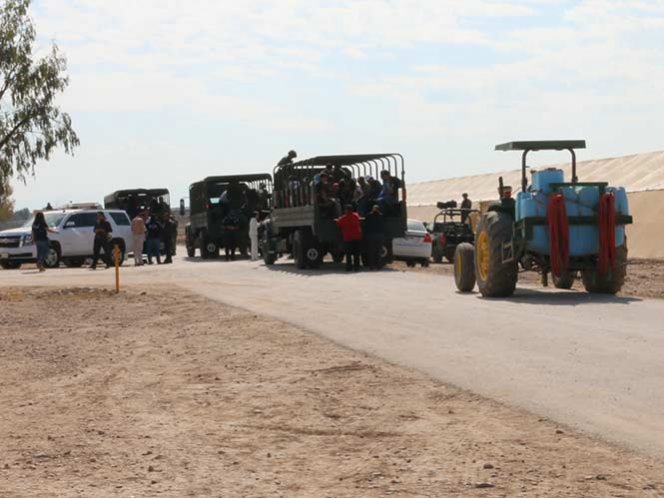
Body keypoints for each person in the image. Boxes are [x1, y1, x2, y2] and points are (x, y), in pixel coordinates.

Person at [336, 204, 363, 272]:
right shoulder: (356, 216)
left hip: (348, 238)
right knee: (356, 253)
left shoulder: (343, 218)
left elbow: (339, 224)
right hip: (357, 237)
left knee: (348, 254)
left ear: (346, 210)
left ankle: (349, 267)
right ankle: (356, 268)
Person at [364, 204, 386, 270]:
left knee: (371, 252)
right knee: (378, 252)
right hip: (379, 236)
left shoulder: (369, 216)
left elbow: (366, 224)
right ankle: (378, 266)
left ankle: (371, 266)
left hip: (371, 236)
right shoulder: (381, 216)